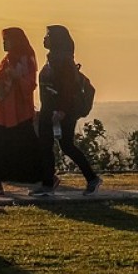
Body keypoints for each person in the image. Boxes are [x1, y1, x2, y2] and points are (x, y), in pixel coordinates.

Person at [33, 24, 101, 196]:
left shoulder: (63, 61)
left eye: (48, 35)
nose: (44, 39)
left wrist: (61, 111)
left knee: (64, 146)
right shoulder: (54, 59)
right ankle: (50, 183)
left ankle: (88, 178)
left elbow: (67, 89)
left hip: (60, 112)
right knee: (49, 146)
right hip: (49, 109)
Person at [0, 27, 42, 195]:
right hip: (3, 110)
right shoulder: (7, 60)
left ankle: (47, 176)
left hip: (19, 110)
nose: (4, 43)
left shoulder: (26, 59)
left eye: (6, 40)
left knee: (27, 145)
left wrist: (17, 77)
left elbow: (30, 84)